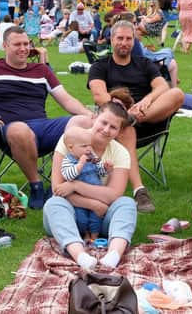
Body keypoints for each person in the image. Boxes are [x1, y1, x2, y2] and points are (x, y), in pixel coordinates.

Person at [0, 26, 93, 208]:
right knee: (20, 130)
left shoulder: (42, 71)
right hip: (8, 129)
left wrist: (91, 115)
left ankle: (71, 182)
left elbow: (67, 100)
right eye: (17, 44)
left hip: (43, 127)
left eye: (26, 44)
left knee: (83, 122)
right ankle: (36, 186)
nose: (23, 48)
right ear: (5, 46)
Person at [88, 20, 185, 213]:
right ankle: (139, 191)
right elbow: (99, 95)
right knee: (125, 128)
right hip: (116, 125)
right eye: (120, 38)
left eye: (128, 39)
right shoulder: (101, 66)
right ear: (111, 39)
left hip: (148, 119)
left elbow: (162, 86)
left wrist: (146, 102)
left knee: (177, 94)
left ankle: (131, 118)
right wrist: (120, 113)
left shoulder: (144, 63)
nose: (124, 43)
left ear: (134, 41)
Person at [44, 102, 137, 270]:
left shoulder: (120, 153)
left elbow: (114, 195)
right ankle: (79, 255)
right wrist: (94, 204)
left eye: (113, 127)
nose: (107, 130)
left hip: (101, 219)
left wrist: (75, 186)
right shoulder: (70, 140)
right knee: (53, 204)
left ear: (119, 131)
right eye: (104, 122)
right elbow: (57, 188)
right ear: (94, 118)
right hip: (70, 216)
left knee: (127, 203)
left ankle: (114, 255)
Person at [60, 126, 111, 242]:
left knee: (96, 217)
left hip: (95, 194)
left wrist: (106, 169)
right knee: (81, 218)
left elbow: (100, 172)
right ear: (71, 148)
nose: (88, 149)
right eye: (84, 146)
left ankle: (95, 236)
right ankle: (85, 235)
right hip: (79, 198)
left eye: (89, 145)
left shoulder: (92, 157)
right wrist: (80, 164)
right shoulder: (68, 160)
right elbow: (68, 176)